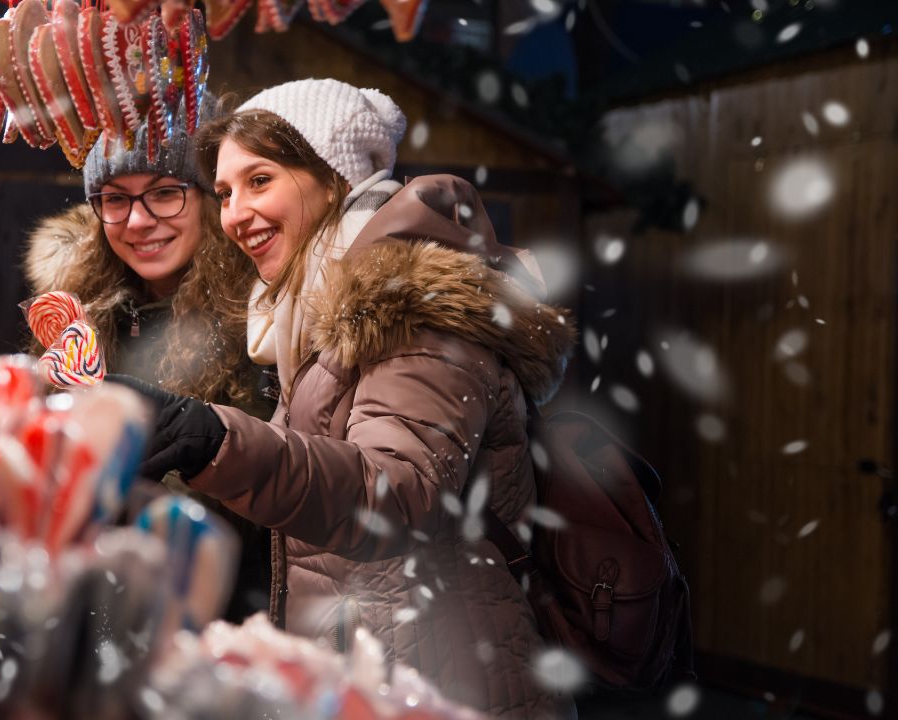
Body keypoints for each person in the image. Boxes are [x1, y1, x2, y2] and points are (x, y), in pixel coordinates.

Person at [108, 79, 578, 718]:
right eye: (223, 192)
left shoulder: (412, 306)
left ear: (332, 177)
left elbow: (396, 494)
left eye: (260, 180)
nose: (234, 214)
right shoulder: (308, 313)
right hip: (381, 666)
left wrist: (211, 440)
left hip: (446, 677)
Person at [22, 101, 277, 623]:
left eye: (165, 193)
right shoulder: (79, 318)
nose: (138, 221)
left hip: (222, 627)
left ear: (211, 199)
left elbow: (267, 504)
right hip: (90, 620)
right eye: (114, 199)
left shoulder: (266, 323)